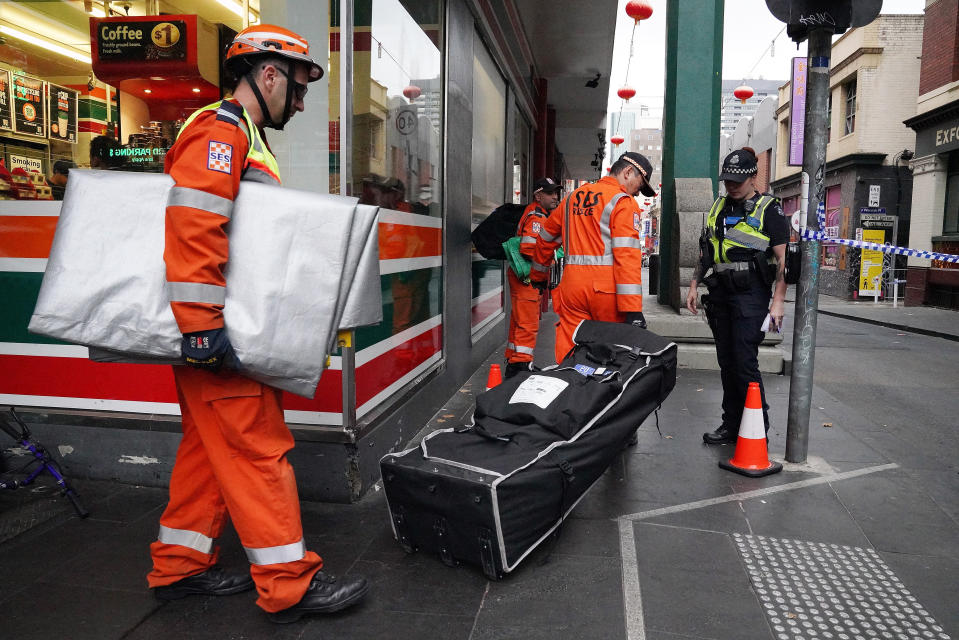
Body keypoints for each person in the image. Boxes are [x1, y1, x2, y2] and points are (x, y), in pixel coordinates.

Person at [146, 25, 369, 624]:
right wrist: (199, 327)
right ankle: (288, 584)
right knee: (255, 450)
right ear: (265, 74)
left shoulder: (238, 135)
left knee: (207, 450)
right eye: (295, 90)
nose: (298, 104)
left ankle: (179, 566)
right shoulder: (221, 133)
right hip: (218, 327)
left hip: (220, 323)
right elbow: (195, 225)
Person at [685, 147, 788, 445]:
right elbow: (707, 250)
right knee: (727, 362)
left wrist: (777, 302)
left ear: (753, 177)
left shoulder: (770, 209)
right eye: (727, 180)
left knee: (744, 361)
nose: (730, 185)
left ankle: (757, 431)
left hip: (751, 294)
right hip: (720, 293)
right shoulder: (719, 206)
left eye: (737, 180)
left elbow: (783, 261)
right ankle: (731, 424)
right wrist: (693, 285)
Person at [530, 152, 655, 363]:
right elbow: (627, 258)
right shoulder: (623, 203)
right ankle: (599, 391)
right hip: (606, 292)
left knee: (570, 346)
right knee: (608, 351)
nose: (638, 193)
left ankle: (570, 385)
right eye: (639, 184)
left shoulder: (571, 198)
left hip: (572, 288)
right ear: (627, 172)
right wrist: (632, 310)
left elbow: (545, 238)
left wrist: (538, 275)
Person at [504, 177, 562, 378]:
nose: (555, 196)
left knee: (519, 320)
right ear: (538, 195)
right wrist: (553, 253)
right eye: (550, 193)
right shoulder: (537, 217)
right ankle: (521, 366)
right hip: (528, 278)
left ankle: (514, 361)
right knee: (527, 323)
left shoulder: (535, 213)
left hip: (524, 277)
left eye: (556, 192)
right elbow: (529, 248)